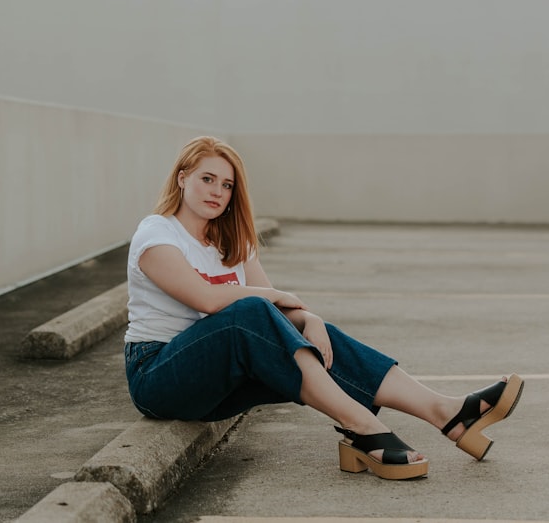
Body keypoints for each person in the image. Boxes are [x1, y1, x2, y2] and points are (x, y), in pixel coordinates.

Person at [123, 136, 523, 480]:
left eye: (226, 185)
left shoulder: (232, 244)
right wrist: (280, 299)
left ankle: (447, 413)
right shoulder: (157, 233)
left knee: (314, 333)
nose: (216, 191)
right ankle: (363, 425)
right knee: (251, 314)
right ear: (182, 178)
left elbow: (275, 313)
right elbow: (209, 300)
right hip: (158, 375)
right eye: (206, 179)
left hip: (218, 378)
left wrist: (310, 319)